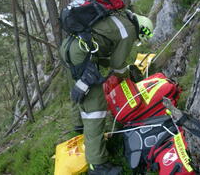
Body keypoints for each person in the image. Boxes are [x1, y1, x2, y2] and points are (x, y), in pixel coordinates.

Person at [59, 9, 153, 175]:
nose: (136, 40)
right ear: (141, 29)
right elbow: (118, 65)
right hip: (81, 51)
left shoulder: (118, 17)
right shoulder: (128, 30)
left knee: (78, 89)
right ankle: (98, 165)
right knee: (95, 108)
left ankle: (79, 125)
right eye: (139, 38)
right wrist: (127, 77)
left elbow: (102, 49)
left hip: (68, 47)